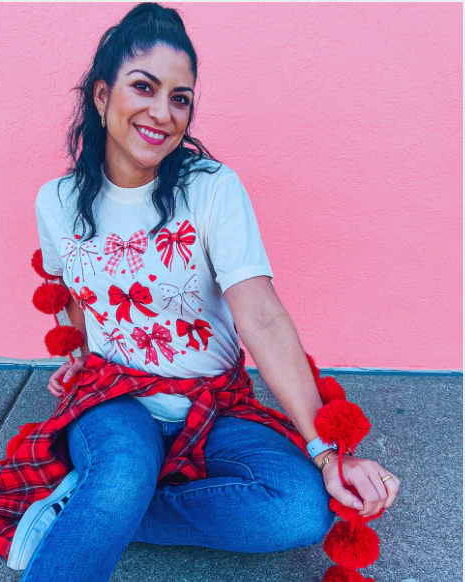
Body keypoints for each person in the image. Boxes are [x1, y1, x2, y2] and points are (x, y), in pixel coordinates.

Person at [21, 3, 400, 580]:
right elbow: (72, 288)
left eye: (180, 97)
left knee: (299, 510)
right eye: (143, 87)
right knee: (123, 471)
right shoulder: (57, 200)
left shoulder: (213, 189)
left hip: (214, 402)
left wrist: (327, 454)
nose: (162, 112)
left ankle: (91, 509)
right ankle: (110, 496)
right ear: (102, 96)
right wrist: (79, 356)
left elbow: (263, 318)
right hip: (116, 399)